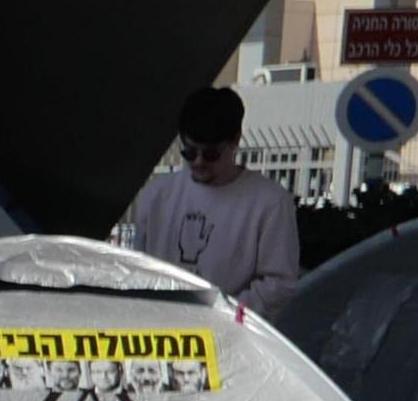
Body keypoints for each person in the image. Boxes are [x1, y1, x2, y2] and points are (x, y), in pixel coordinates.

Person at [122, 86, 298, 313]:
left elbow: (279, 284)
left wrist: (220, 312)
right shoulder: (157, 195)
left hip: (230, 338)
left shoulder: (271, 203)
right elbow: (139, 268)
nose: (198, 162)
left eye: (211, 154)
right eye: (190, 152)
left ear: (236, 141)